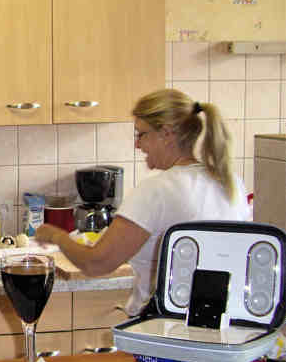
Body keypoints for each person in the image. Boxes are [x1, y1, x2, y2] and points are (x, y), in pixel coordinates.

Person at [36, 88, 250, 316]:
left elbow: (96, 263)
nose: (137, 145)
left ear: (166, 134)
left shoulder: (157, 190)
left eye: (141, 134)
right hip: (226, 324)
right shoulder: (232, 184)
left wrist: (55, 235)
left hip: (167, 327)